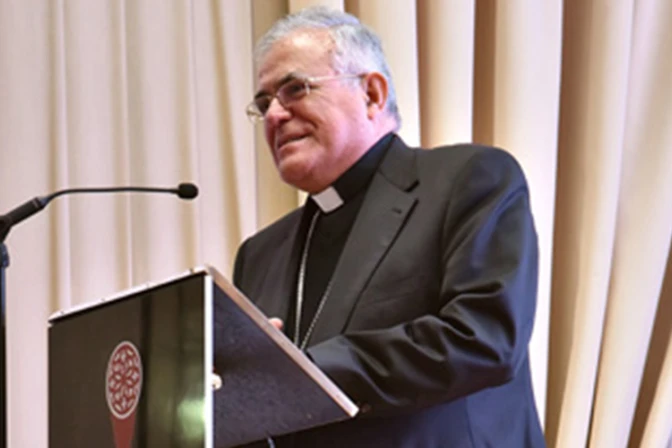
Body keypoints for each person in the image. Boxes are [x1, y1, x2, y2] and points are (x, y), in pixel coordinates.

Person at [233, 6, 545, 448]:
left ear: (372, 94)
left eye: (295, 89)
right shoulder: (259, 254)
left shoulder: (469, 180)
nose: (274, 116)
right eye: (264, 103)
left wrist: (305, 371)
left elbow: (484, 337)